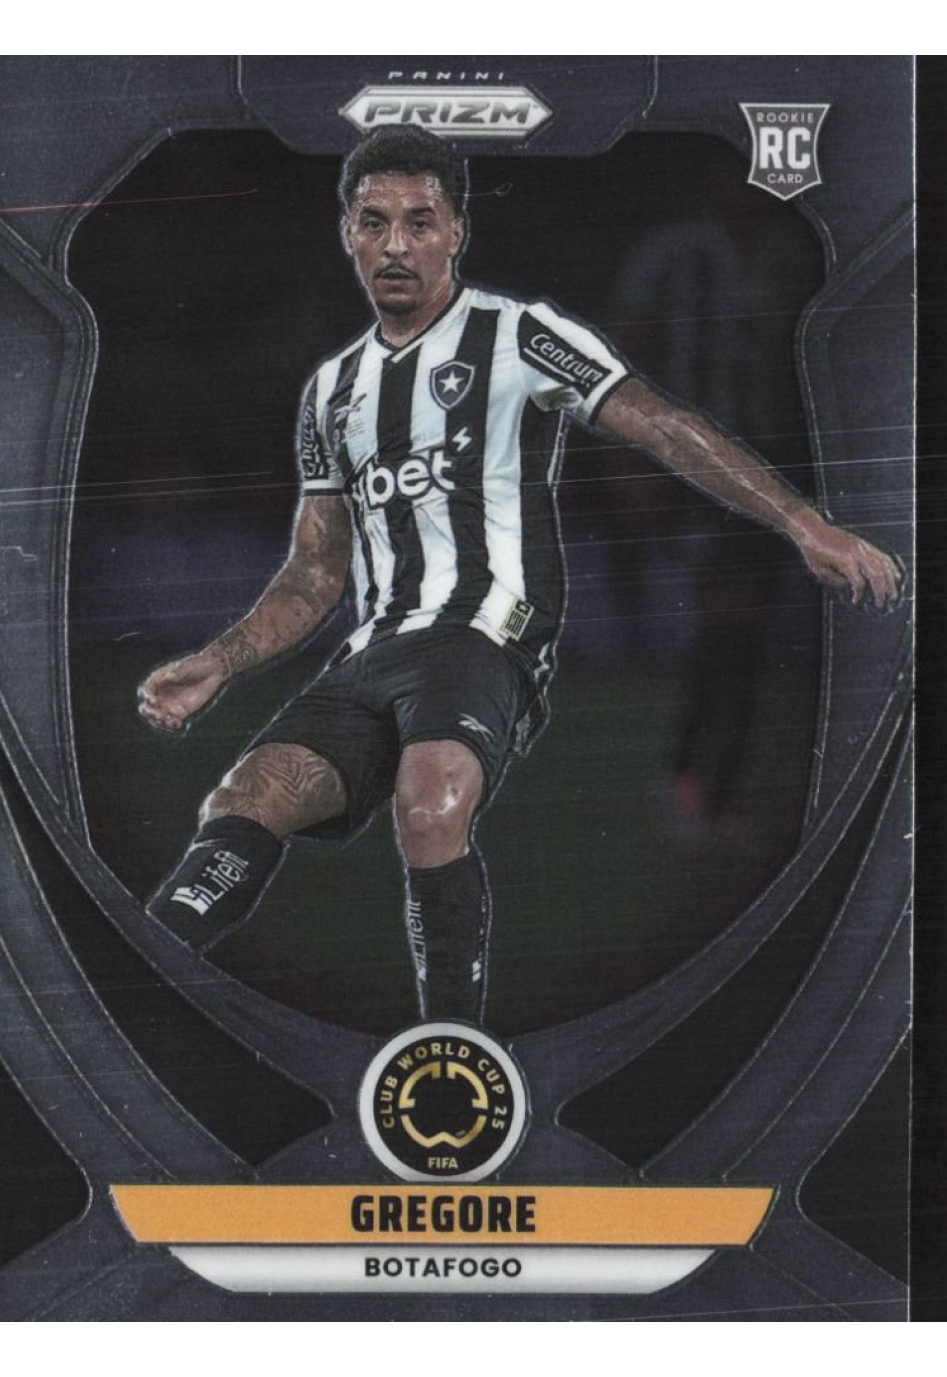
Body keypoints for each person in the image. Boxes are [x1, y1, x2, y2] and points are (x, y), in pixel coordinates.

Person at [138, 127, 902, 1025]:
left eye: (420, 221)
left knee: (429, 806)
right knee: (243, 796)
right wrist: (220, 661)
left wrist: (801, 520)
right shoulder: (330, 391)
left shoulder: (518, 334)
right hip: (369, 657)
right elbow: (314, 570)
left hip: (484, 636)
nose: (396, 244)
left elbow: (659, 422)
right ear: (348, 233)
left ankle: (451, 1047)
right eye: (375, 222)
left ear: (457, 231)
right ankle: (137, 982)